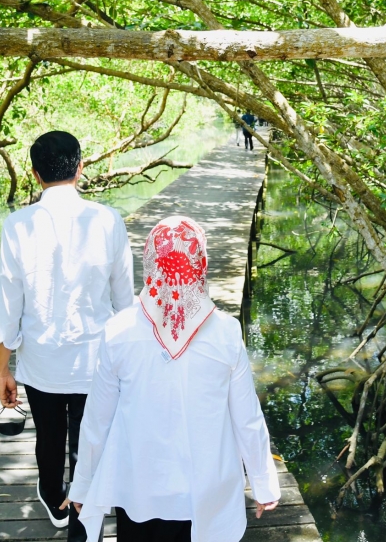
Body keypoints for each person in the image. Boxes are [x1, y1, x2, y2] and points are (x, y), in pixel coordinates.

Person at [64, 215, 280, 542]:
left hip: (138, 488)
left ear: (149, 264)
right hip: (207, 492)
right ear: (201, 263)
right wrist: (263, 483)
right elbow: (246, 418)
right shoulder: (225, 332)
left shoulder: (118, 331)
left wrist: (83, 483)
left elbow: (97, 419)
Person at [0, 131, 134, 542]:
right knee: (87, 439)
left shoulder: (17, 225)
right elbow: (125, 305)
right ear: (81, 167)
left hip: (41, 363)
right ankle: (84, 510)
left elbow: (8, 306)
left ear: (34, 175)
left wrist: (2, 369)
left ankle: (53, 498)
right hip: (96, 362)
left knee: (49, 436)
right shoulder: (108, 221)